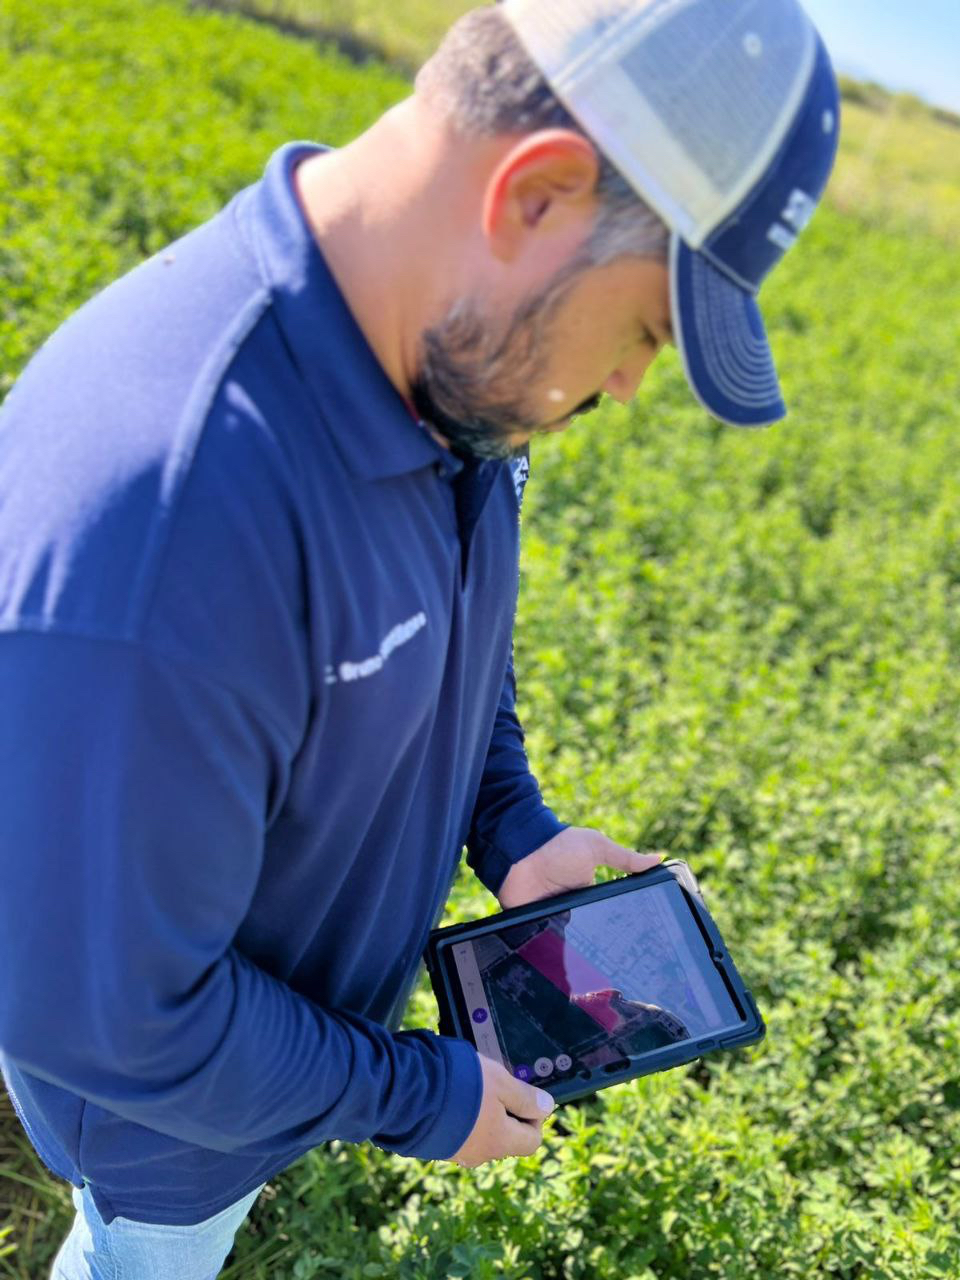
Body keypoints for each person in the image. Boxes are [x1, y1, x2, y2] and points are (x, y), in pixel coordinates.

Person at [0, 0, 840, 1276]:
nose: (624, 389)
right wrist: (421, 1094)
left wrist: (517, 826)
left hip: (275, 1063)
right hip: (169, 1135)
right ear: (538, 193)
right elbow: (116, 1020)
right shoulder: (169, 526)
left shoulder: (449, 383)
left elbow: (458, 640)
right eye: (645, 332)